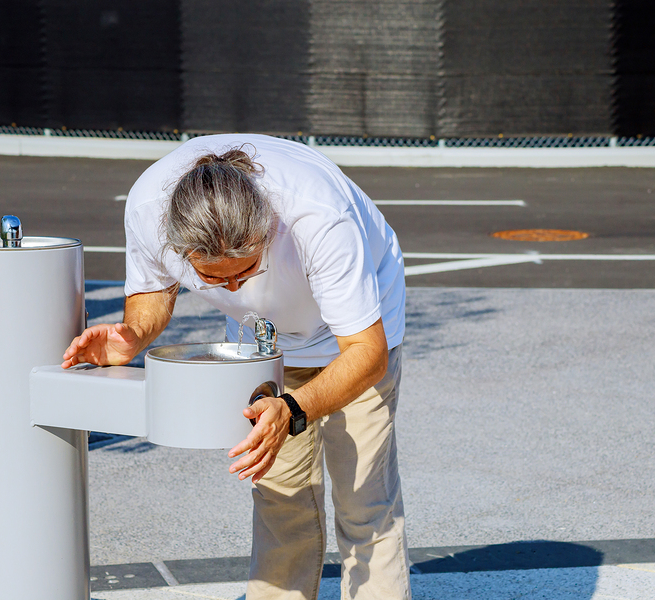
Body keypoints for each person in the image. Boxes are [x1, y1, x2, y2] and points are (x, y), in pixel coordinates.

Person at [61, 134, 410, 600]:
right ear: (178, 244)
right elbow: (152, 292)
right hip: (264, 344)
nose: (231, 289)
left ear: (267, 230)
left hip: (357, 334)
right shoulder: (148, 208)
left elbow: (367, 353)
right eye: (212, 279)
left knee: (364, 502)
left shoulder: (317, 218)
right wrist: (134, 335)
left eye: (245, 273)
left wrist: (292, 407)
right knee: (280, 498)